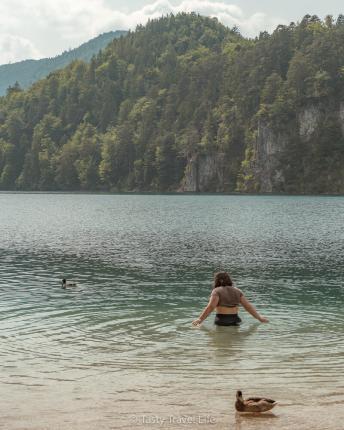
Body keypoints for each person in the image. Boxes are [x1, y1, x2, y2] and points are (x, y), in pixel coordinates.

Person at [192, 272, 269, 327]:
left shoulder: (216, 291)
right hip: (236, 320)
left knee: (219, 344)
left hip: (222, 320)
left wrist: (200, 319)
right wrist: (259, 318)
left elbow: (211, 307)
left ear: (219, 280)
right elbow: (248, 306)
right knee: (234, 342)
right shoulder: (237, 291)